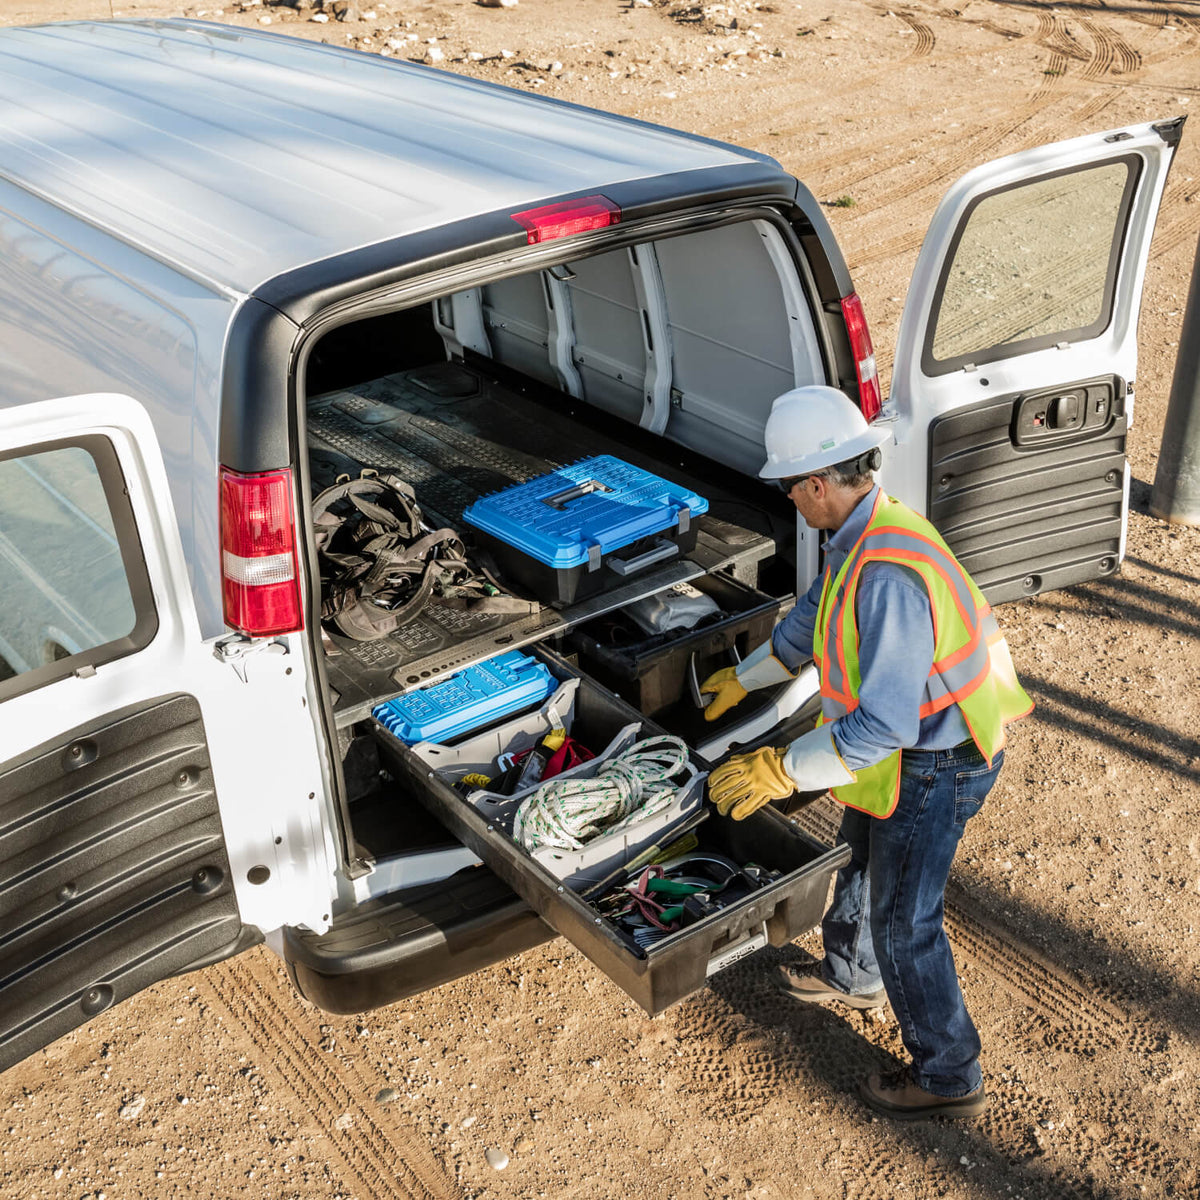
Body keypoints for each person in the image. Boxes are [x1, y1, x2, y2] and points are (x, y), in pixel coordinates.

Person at [702, 384, 1032, 1121]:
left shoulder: (886, 573)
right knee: (861, 848)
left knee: (905, 921)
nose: (789, 499)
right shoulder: (870, 529)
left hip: (941, 759)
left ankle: (949, 1075)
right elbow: (816, 612)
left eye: (789, 487)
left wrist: (781, 768)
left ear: (818, 483)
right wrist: (746, 677)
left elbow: (882, 725)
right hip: (922, 747)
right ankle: (854, 975)